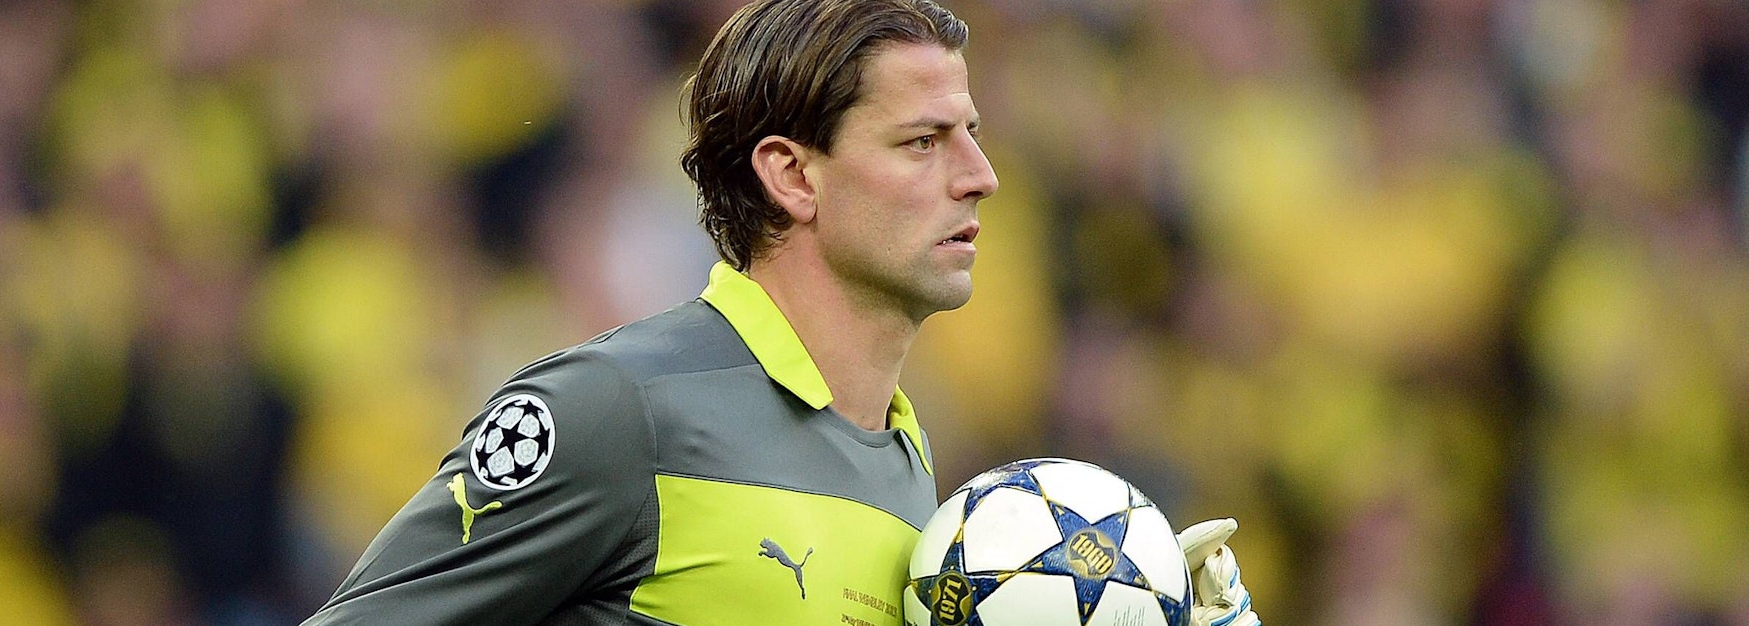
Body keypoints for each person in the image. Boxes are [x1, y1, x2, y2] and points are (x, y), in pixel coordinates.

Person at [303, 1, 1259, 624]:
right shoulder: (617, 410)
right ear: (794, 176)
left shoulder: (912, 473)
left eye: (971, 134)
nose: (981, 175)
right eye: (923, 142)